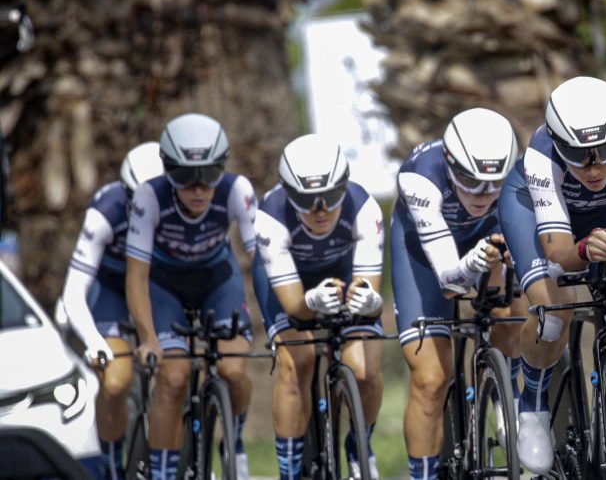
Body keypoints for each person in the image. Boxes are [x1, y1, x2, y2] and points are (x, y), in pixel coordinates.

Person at [498, 76, 606, 475]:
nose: (594, 166)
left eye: (605, 151)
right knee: (555, 311)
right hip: (534, 214)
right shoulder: (541, 158)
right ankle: (532, 404)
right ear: (557, 143)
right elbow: (557, 255)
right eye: (579, 154)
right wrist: (587, 249)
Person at [391, 107, 523, 480]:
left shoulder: (521, 174)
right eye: (469, 180)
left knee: (511, 317)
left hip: (486, 235)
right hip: (422, 254)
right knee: (431, 379)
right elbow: (450, 280)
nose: (482, 193)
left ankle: (506, 394)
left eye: (494, 181)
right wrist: (474, 263)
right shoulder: (421, 179)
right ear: (449, 164)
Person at [125, 113, 258, 480]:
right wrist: (148, 337)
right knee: (173, 379)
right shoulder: (149, 196)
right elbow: (136, 277)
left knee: (232, 370)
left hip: (217, 281)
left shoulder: (237, 191)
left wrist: (278, 319)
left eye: (209, 176)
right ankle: (164, 473)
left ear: (223, 169)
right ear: (167, 170)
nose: (199, 190)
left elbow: (262, 261)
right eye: (185, 178)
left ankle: (235, 440)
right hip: (166, 287)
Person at [252, 134, 385, 480]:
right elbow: (295, 307)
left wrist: (369, 300)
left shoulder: (364, 207)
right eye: (306, 199)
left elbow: (369, 294)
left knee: (365, 369)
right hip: (290, 285)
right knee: (298, 362)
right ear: (287, 192)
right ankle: (290, 470)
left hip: (341, 275)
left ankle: (359, 447)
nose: (320, 210)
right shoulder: (270, 217)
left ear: (344, 185)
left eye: (330, 197)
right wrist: (311, 301)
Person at [58, 142, 164, 479]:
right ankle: (111, 463)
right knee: (116, 381)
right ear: (125, 192)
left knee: (181, 370)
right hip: (111, 291)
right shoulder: (105, 212)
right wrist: (93, 340)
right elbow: (74, 290)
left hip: (157, 288)